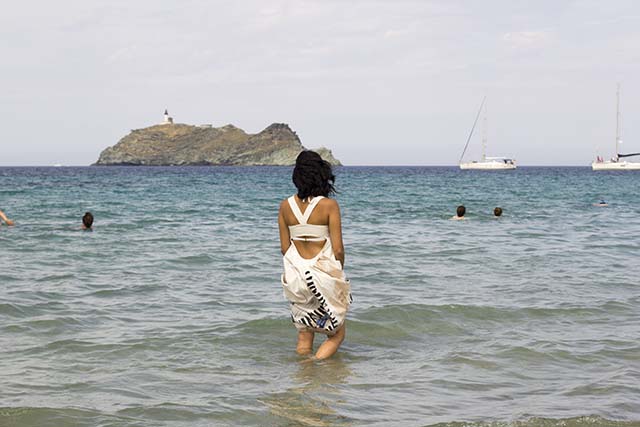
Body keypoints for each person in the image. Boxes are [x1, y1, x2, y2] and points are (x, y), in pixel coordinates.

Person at [278, 150, 351, 360]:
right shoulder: (329, 206)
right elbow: (337, 249)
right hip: (323, 275)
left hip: (296, 277)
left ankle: (304, 377)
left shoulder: (285, 207)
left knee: (304, 334)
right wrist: (339, 274)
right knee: (337, 334)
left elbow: (285, 248)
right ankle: (317, 366)